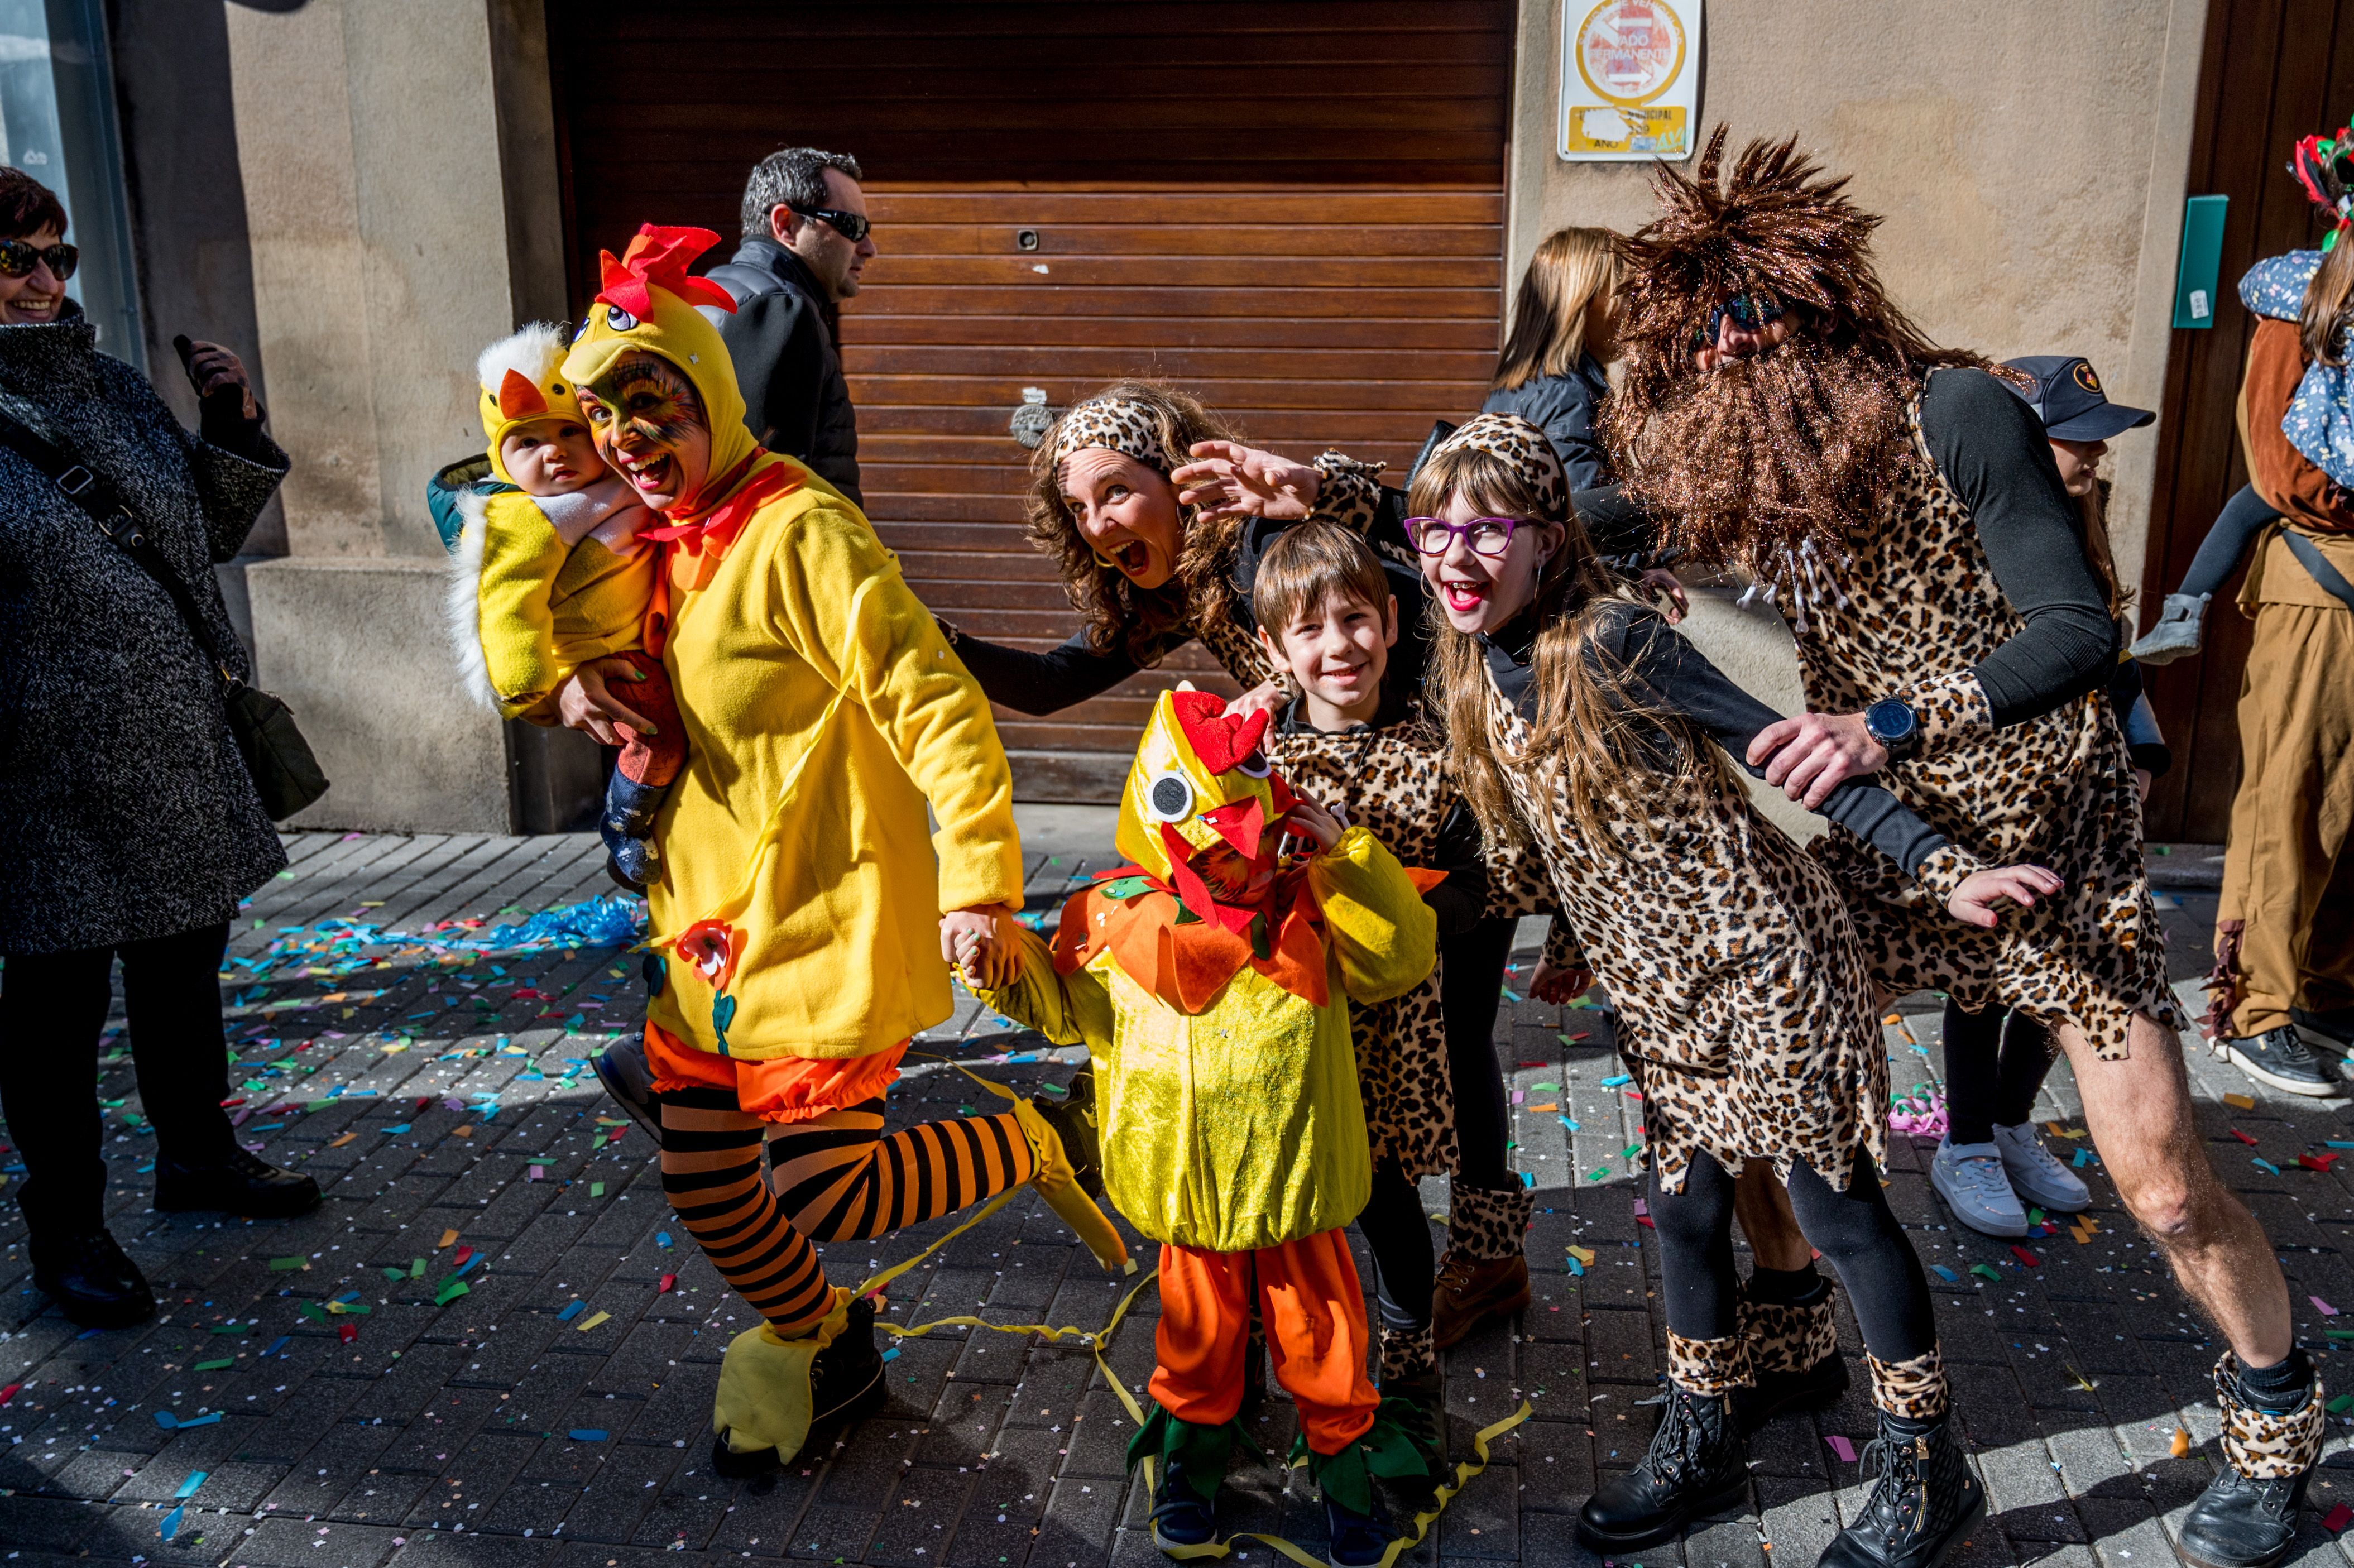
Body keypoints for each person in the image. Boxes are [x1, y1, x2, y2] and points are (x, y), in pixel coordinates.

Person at [1603, 129, 2322, 1568]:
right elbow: (1540, 516)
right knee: (1749, 1108)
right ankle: (1794, 1332)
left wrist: (1879, 722)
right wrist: (1349, 503)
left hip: (2051, 848)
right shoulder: (1751, 468)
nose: (1737, 364)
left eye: (1759, 329)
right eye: (1711, 344)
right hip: (1890, 852)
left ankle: (2273, 1422)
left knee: (2169, 1188)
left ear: (1825, 312)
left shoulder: (1957, 415)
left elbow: (2073, 634)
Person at [1416, 414, 2050, 1566]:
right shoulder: (1467, 665)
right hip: (1656, 990)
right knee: (1689, 1207)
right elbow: (1559, 830)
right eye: (1431, 529)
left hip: (1762, 959)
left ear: (1544, 543)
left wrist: (1943, 868)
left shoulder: (1607, 638)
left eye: (1484, 529)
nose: (1452, 554)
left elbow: (1781, 749)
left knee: (1831, 1210)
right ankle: (1711, 1425)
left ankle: (1925, 1462)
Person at [548, 224, 1121, 1471]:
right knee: (703, 1180)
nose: (629, 441)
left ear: (709, 395)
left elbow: (936, 701)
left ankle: (1039, 1137)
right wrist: (575, 689)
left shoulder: (799, 529)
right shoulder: (656, 541)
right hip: (706, 928)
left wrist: (980, 882)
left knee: (826, 1188)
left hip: (825, 915)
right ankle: (822, 1338)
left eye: (652, 407)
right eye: (606, 417)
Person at [939, 383, 1549, 1347]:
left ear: (1175, 475)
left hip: (1440, 791)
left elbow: (1416, 625)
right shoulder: (1183, 580)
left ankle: (1485, 1254)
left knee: (1458, 1016)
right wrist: (936, 646)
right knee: (1380, 1038)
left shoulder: (1262, 544)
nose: (1098, 525)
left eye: (1114, 493)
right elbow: (1059, 682)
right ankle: (1402, 1248)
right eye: (1078, 510)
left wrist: (1430, 782)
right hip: (1343, 800)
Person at [965, 688, 1439, 1566]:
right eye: (1209, 848)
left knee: (1321, 1329)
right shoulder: (1114, 919)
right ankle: (1192, 1458)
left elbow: (1402, 958)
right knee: (1197, 1331)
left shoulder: (1309, 904)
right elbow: (1068, 1013)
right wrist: (993, 962)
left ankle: (1341, 1464)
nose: (1229, 867)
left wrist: (1346, 851)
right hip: (1190, 1188)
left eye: (1242, 842)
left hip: (1297, 1185)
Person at [0, 166, 319, 1329]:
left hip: (175, 748)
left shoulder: (113, 386)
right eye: (17, 260)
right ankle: (67, 1230)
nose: (45, 283)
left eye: (58, 259)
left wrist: (228, 430)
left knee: (184, 979)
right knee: (54, 1019)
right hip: (44, 778)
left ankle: (198, 1156)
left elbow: (197, 539)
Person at [1239, 520, 1492, 1434]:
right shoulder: (1253, 754)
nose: (1337, 644)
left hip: (1390, 1034)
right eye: (1308, 629)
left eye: (1353, 618)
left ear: (1390, 621)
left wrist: (1402, 906)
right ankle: (1246, 1372)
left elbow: (1479, 886)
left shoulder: (1443, 752)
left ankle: (1408, 1370)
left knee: (1388, 1205)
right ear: (1273, 648)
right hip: (1279, 1032)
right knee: (1274, 1202)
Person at [1929, 353, 2175, 1234]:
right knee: (1985, 966)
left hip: (2085, 787)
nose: (2096, 457)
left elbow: (2108, 652)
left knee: (2068, 958)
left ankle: (2006, 1122)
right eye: (2081, 439)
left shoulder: (2086, 518)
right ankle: (1963, 1143)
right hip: (1999, 785)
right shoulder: (1982, 518)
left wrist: (2145, 749)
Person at [2206, 123, 2354, 1106]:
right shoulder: (2296, 309)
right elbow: (2280, 468)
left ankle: (2323, 991)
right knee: (2285, 804)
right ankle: (2252, 1008)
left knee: (2350, 813)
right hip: (2320, 583)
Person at [438, 322, 679, 888]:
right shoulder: (527, 519)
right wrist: (531, 678)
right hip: (602, 657)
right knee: (659, 734)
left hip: (644, 635)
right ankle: (625, 821)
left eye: (569, 433)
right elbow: (505, 602)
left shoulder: (620, 476)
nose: (555, 454)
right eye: (528, 443)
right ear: (502, 464)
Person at [2134, 128, 2354, 666]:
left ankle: (2181, 615)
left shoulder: (2310, 290)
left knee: (2244, 505)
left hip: (2325, 474)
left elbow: (2256, 282)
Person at [706, 147, 874, 507]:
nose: (869, 247)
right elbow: (770, 491)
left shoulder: (714, 289)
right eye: (852, 227)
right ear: (786, 225)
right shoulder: (778, 309)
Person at [1480, 225, 1622, 489]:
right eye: (1623, 292)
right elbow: (1586, 515)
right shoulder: (1566, 396)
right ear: (1584, 301)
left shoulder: (1514, 387)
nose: (1632, 306)